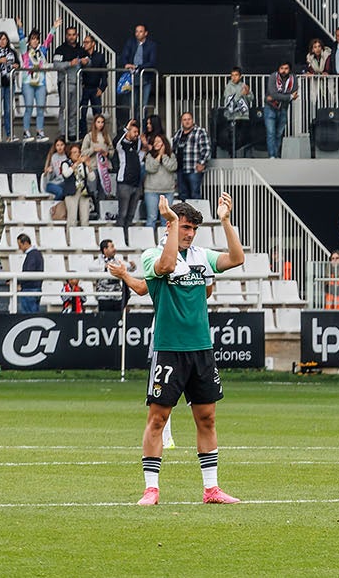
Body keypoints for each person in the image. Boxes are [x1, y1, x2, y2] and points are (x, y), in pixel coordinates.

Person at [136, 194, 245, 505]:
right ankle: (151, 489)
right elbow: (167, 265)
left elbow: (236, 259)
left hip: (201, 348)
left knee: (207, 418)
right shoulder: (151, 255)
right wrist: (170, 223)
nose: (189, 233)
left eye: (193, 228)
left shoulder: (201, 256)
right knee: (157, 419)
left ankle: (211, 489)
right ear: (172, 226)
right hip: (169, 348)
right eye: (184, 227)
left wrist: (225, 221)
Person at [263, 61, 298, 158]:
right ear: (278, 69)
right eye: (282, 68)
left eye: (286, 68)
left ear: (289, 70)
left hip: (283, 108)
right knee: (271, 133)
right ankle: (272, 156)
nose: (283, 71)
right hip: (270, 108)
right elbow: (273, 94)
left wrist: (278, 96)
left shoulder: (293, 78)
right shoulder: (273, 77)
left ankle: (276, 154)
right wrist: (289, 97)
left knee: (279, 133)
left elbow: (294, 92)